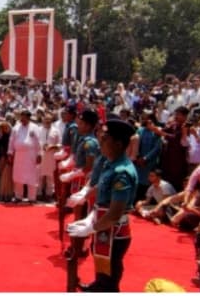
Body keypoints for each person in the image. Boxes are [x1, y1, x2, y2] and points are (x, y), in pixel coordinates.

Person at [66, 118, 137, 292]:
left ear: (119, 144)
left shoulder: (122, 172)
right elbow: (101, 187)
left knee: (110, 268)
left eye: (105, 139)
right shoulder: (110, 163)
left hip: (114, 230)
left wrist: (91, 228)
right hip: (104, 226)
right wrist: (85, 196)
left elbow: (114, 214)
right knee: (101, 262)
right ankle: (99, 286)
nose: (100, 142)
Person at [8, 109, 43, 203]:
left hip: (31, 155)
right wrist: (10, 152)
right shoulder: (16, 127)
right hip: (18, 155)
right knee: (18, 175)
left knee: (31, 176)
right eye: (21, 117)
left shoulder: (35, 127)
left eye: (24, 117)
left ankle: (32, 198)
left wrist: (40, 154)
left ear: (28, 118)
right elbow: (11, 140)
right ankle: (18, 196)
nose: (22, 119)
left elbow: (40, 141)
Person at [38, 113, 61, 201]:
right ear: (43, 120)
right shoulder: (39, 129)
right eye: (46, 119)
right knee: (39, 175)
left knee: (50, 176)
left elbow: (60, 143)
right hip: (40, 155)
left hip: (51, 155)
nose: (47, 121)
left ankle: (49, 194)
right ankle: (38, 193)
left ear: (51, 121)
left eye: (49, 119)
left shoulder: (56, 131)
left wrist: (53, 146)